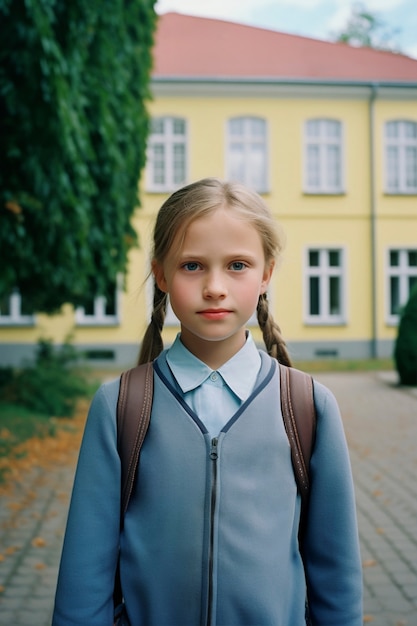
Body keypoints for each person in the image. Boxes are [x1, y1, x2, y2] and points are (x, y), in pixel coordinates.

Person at [53, 177, 363, 625]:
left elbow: (336, 571)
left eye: (238, 265)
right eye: (192, 266)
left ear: (267, 273)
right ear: (160, 273)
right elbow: (85, 575)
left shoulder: (308, 406)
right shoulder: (120, 405)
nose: (215, 287)